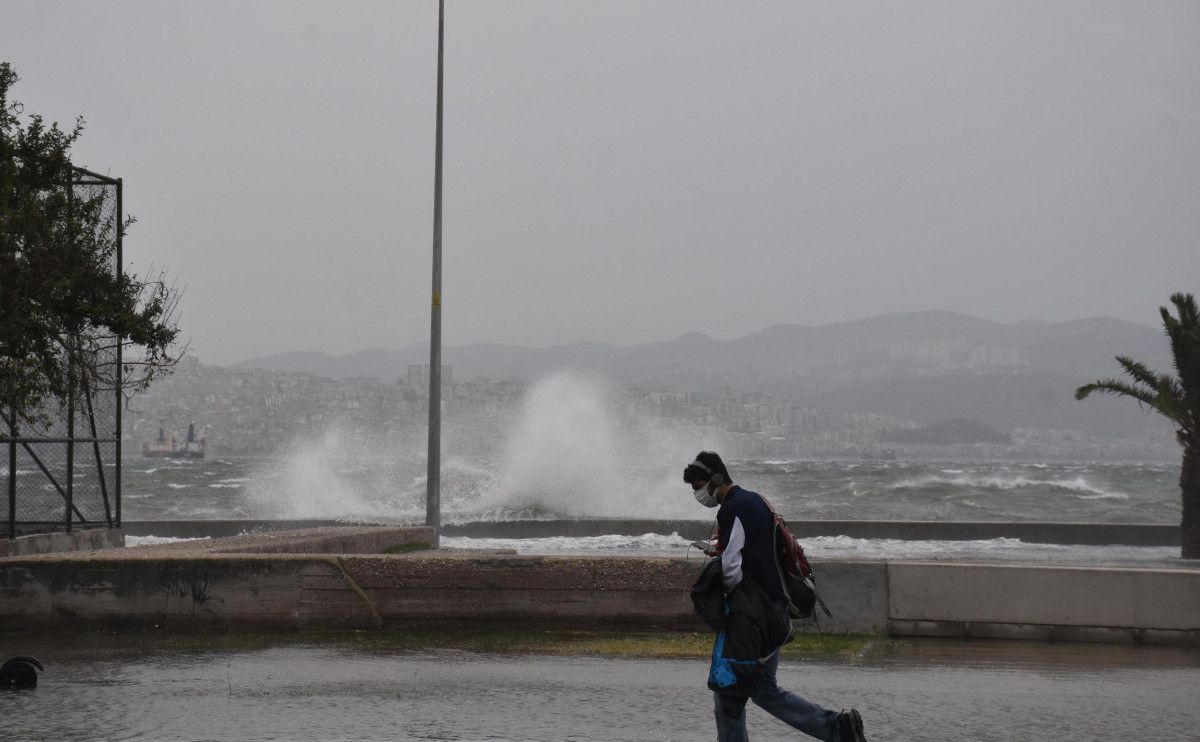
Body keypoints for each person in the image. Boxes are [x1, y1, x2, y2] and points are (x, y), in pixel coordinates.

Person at [684, 451, 867, 742]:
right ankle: (838, 728)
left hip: (752, 619)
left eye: (697, 486)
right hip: (774, 611)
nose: (698, 494)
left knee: (728, 694)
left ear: (716, 479)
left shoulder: (732, 508)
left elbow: (732, 566)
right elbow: (756, 550)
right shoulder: (756, 500)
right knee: (763, 690)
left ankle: (836, 728)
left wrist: (727, 590)